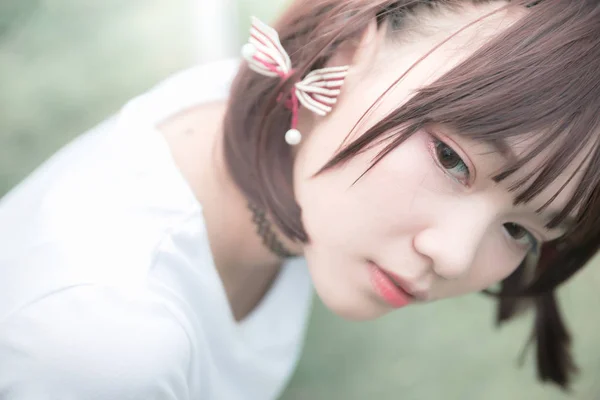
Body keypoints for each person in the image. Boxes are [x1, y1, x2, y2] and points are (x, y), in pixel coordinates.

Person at [1, 0, 599, 398]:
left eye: (523, 231)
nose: (454, 257)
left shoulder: (238, 128)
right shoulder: (108, 343)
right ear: (350, 50)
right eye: (451, 158)